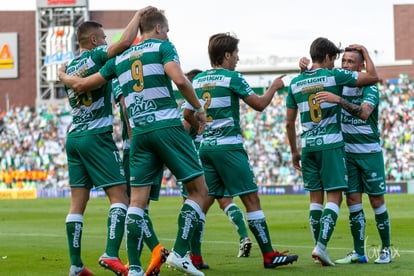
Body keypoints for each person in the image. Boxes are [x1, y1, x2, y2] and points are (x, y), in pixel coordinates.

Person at [59, 8, 209, 276]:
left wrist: (63, 77)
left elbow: (82, 85)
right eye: (103, 37)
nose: (107, 41)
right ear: (160, 28)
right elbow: (177, 78)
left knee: (132, 203)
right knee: (196, 191)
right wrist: (197, 108)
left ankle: (127, 267)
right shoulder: (160, 46)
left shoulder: (99, 64)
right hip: (155, 127)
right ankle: (173, 252)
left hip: (117, 135)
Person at [183, 32, 298, 270]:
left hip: (206, 148)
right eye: (235, 53)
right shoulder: (232, 77)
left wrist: (204, 128)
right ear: (226, 55)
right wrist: (274, 86)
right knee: (251, 199)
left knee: (203, 202)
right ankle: (269, 255)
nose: (238, 58)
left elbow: (187, 115)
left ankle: (193, 256)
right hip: (229, 149)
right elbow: (259, 105)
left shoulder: (198, 80)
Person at [62, 7, 154, 276]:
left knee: (77, 204)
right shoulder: (95, 56)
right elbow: (124, 43)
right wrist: (138, 15)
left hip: (74, 137)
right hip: (96, 136)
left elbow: (74, 83)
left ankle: (76, 265)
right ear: (92, 41)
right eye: (103, 37)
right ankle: (111, 253)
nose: (106, 41)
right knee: (120, 199)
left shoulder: (69, 67)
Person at [286, 37, 379, 266]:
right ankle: (321, 247)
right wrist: (365, 53)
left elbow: (289, 124)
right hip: (331, 144)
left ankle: (318, 247)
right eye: (334, 59)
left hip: (307, 147)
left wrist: (294, 152)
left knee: (315, 200)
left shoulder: (296, 82)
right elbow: (372, 77)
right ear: (327, 57)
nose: (336, 64)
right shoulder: (333, 76)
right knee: (335, 197)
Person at [308, 47, 391, 264]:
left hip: (369, 153)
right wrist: (304, 69)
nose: (344, 65)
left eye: (351, 61)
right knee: (353, 201)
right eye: (343, 60)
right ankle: (359, 252)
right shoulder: (337, 83)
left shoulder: (370, 88)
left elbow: (364, 113)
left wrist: (339, 101)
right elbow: (313, 79)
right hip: (347, 154)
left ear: (361, 66)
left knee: (376, 200)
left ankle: (386, 249)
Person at [181, 69, 252, 270]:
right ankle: (243, 236)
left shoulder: (192, 105)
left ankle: (190, 253)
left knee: (193, 203)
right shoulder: (212, 97)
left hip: (196, 157)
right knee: (224, 200)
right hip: (218, 150)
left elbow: (185, 129)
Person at [112, 78, 169, 275]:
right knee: (141, 206)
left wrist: (134, 140)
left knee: (132, 207)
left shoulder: (120, 72)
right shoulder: (149, 65)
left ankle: (152, 251)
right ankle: (134, 258)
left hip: (136, 146)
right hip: (158, 144)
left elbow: (126, 106)